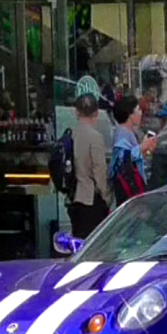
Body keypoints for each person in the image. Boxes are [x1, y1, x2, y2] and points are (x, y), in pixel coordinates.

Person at [69, 92, 111, 239]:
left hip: (74, 196)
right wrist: (107, 197)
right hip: (91, 199)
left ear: (76, 112)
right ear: (96, 113)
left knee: (78, 241)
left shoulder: (69, 135)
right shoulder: (96, 138)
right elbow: (99, 171)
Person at [110, 97, 158, 194]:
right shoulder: (121, 136)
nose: (140, 113)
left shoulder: (131, 133)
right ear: (130, 115)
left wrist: (147, 151)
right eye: (138, 110)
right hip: (127, 190)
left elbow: (136, 160)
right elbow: (122, 159)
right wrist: (142, 147)